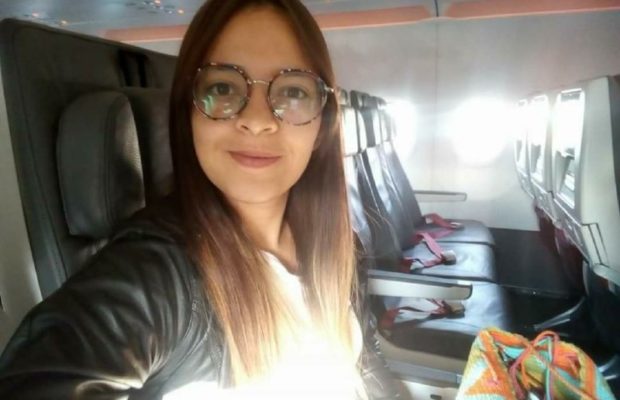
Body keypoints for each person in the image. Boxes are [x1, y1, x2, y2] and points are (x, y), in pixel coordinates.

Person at [0, 0, 401, 398]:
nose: (257, 121)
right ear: (187, 114)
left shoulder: (341, 246)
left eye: (293, 92)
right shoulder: (159, 272)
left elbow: (365, 358)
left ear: (322, 126)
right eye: (223, 88)